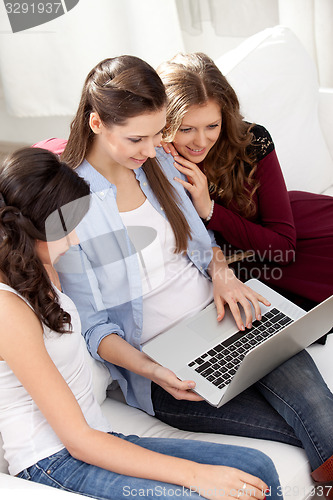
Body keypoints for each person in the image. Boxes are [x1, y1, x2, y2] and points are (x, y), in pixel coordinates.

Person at [35, 56, 333, 494]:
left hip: (229, 319)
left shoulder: (161, 167)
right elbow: (94, 328)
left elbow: (200, 245)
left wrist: (222, 274)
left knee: (321, 417)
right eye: (138, 138)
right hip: (163, 368)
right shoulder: (70, 207)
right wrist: (153, 371)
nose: (152, 148)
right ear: (96, 123)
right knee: (318, 427)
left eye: (158, 134)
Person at [0, 147, 280, 499]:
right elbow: (78, 442)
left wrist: (156, 370)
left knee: (257, 469)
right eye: (67, 229)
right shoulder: (8, 310)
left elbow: (34, 177)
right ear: (29, 230)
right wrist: (198, 476)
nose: (74, 241)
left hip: (98, 439)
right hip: (54, 461)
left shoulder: (42, 268)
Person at [157, 52, 333, 311]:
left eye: (212, 125)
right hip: (245, 264)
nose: (201, 141)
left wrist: (211, 211)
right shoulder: (154, 158)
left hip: (298, 232)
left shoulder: (252, 141)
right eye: (186, 129)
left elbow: (283, 247)